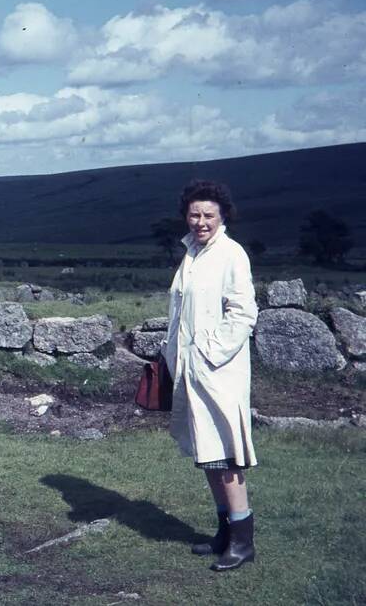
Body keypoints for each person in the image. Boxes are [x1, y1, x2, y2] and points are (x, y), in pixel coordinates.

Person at [163, 181, 258, 571]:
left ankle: (242, 541)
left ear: (222, 216)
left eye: (208, 215)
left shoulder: (231, 254)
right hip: (190, 370)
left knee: (227, 454)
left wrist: (208, 352)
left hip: (219, 371)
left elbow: (243, 313)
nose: (200, 221)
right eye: (194, 214)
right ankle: (224, 532)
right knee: (208, 455)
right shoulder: (193, 253)